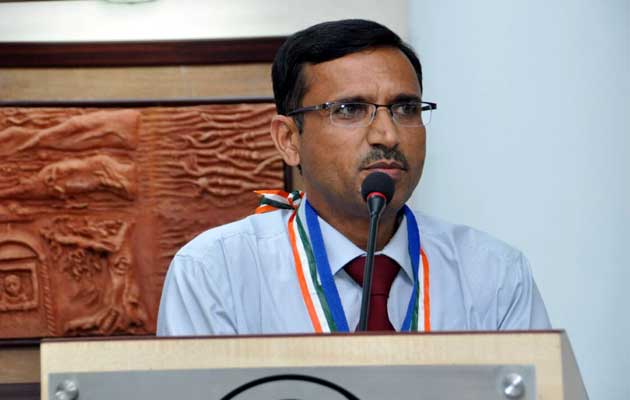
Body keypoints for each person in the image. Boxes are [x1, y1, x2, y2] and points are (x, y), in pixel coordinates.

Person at [156, 19, 550, 335]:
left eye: (406, 108)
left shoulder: (494, 273)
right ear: (289, 140)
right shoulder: (216, 272)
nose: (387, 135)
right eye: (349, 110)